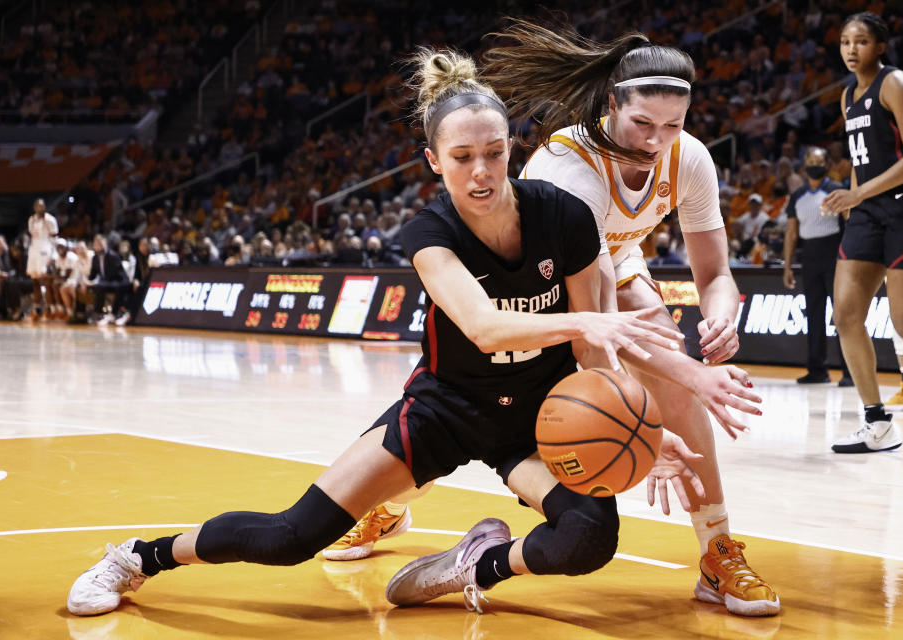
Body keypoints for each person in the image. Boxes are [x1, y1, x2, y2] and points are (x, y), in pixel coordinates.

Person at [67, 48, 752, 619]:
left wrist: (642, 430)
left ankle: (476, 564)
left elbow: (590, 352)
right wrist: (589, 317)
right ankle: (136, 556)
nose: (480, 172)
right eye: (461, 158)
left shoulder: (563, 216)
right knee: (290, 536)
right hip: (445, 411)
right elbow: (483, 327)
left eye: (493, 152)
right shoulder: (429, 232)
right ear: (433, 161)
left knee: (587, 540)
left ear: (513, 148)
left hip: (538, 421)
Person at [329, 21, 779, 618]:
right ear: (612, 105)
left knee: (673, 373)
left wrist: (720, 322)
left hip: (613, 262)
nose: (655, 141)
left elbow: (715, 274)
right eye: (642, 124)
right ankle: (389, 503)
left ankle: (717, 552)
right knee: (479, 411)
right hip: (540, 290)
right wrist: (692, 374)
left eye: (672, 126)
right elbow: (592, 322)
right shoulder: (569, 173)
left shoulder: (687, 158)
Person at [823, 12, 903, 454]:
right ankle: (877, 422)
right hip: (866, 213)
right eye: (846, 41)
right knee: (846, 314)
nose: (851, 49)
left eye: (861, 41)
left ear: (879, 46)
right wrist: (851, 200)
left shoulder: (896, 83)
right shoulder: (847, 96)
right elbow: (860, 160)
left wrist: (859, 192)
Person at [782, 146, 851, 386]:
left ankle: (850, 372)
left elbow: (850, 224)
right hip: (809, 256)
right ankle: (817, 370)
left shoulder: (837, 190)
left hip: (835, 254)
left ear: (827, 164)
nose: (815, 164)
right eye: (810, 160)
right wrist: (787, 266)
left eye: (819, 160)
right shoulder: (797, 196)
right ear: (804, 164)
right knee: (813, 314)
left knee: (842, 314)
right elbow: (791, 234)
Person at [26, 198, 59, 320]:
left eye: (41, 206)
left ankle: (52, 308)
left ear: (44, 207)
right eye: (37, 206)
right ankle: (36, 307)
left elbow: (54, 237)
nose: (39, 208)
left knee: (45, 280)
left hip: (46, 249)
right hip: (34, 250)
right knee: (35, 281)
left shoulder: (50, 219)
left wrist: (53, 254)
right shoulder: (32, 219)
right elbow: (31, 235)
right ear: (34, 207)